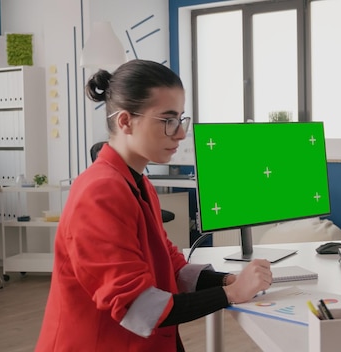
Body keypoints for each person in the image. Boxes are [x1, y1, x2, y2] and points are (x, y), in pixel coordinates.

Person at [36, 59, 272, 351]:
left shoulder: (137, 182)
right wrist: (232, 293)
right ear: (125, 121)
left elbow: (170, 266)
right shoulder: (99, 192)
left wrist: (226, 280)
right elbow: (138, 306)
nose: (181, 133)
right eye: (167, 120)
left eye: (181, 119)